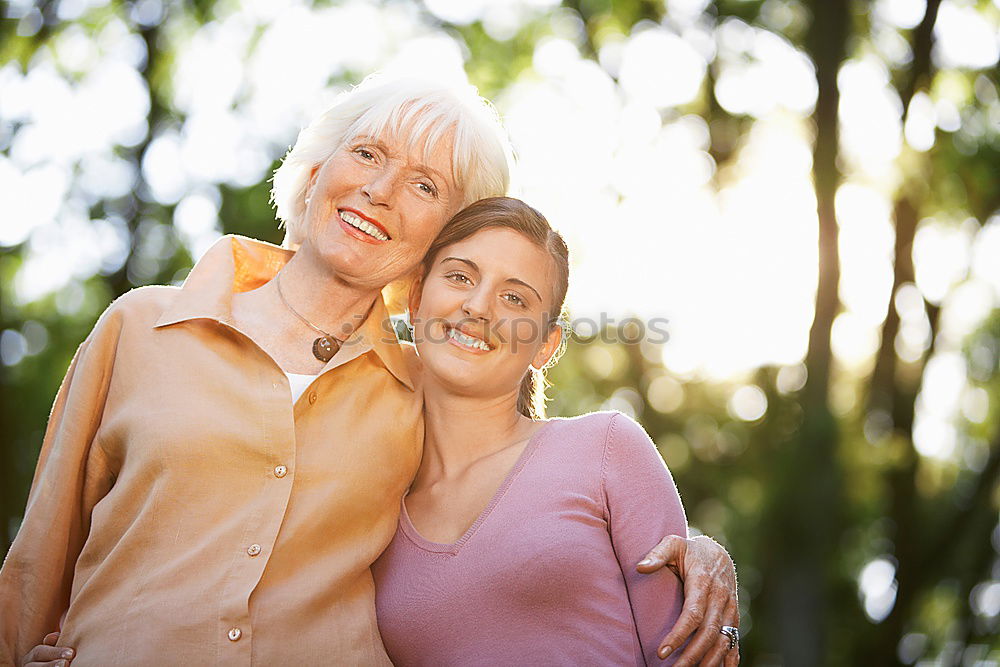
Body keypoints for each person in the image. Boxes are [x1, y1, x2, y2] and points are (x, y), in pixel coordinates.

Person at [6, 74, 737, 667]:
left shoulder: (423, 387)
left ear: (443, 239)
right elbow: (35, 569)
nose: (380, 190)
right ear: (318, 167)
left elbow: (529, 494)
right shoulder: (142, 327)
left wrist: (702, 555)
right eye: (366, 154)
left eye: (425, 186)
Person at [371, 196, 730, 666]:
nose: (478, 306)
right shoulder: (373, 511)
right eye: (460, 276)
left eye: (514, 298)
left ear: (545, 344)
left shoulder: (606, 450)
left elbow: (689, 653)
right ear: (415, 300)